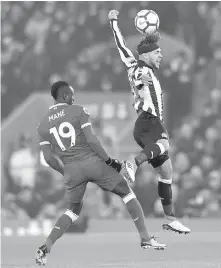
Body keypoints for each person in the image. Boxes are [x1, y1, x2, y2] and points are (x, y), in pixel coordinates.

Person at [35, 81, 166, 265]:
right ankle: (145, 238)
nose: (74, 98)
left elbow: (49, 159)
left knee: (73, 210)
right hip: (92, 162)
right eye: (71, 94)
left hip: (71, 170)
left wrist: (65, 172)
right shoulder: (78, 111)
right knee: (126, 192)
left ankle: (46, 246)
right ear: (65, 95)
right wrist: (109, 161)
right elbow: (92, 140)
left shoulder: (42, 126)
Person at [108, 10, 190, 234]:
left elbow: (122, 46)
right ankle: (132, 164)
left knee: (167, 171)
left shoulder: (134, 64)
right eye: (158, 53)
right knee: (165, 143)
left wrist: (114, 22)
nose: (161, 56)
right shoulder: (142, 71)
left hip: (145, 125)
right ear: (147, 55)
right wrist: (141, 81)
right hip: (148, 121)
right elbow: (140, 80)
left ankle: (170, 218)